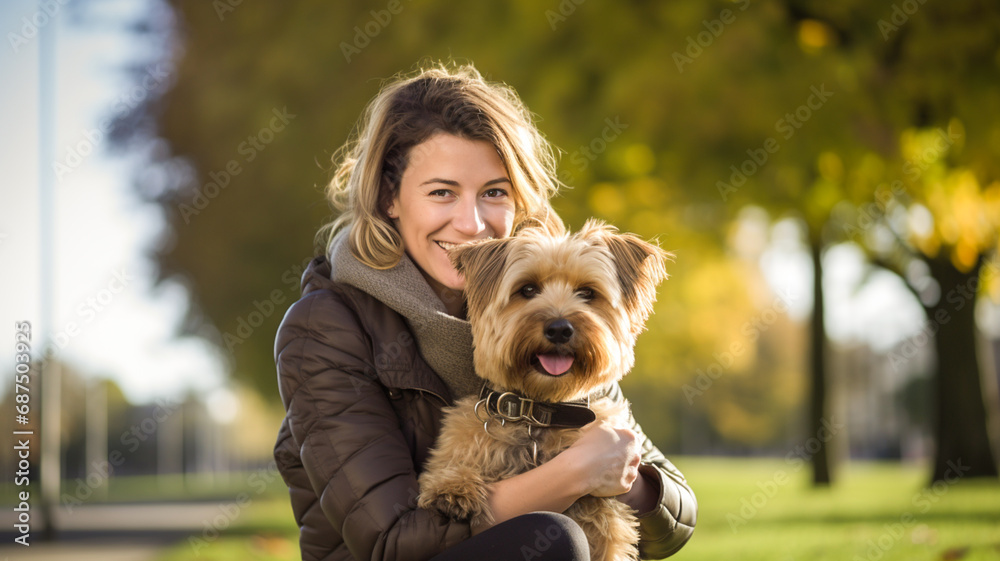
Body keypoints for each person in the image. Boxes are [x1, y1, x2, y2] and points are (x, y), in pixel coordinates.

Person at [273, 62, 696, 561]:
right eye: (441, 193)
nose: (472, 223)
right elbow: (390, 541)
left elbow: (676, 519)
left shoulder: (552, 330)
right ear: (390, 197)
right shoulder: (324, 329)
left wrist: (623, 472)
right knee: (556, 542)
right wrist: (573, 474)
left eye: (494, 192)